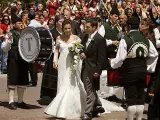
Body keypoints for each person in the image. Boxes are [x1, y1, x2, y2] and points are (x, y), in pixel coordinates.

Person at [109, 15, 158, 120]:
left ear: (128, 26)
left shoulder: (125, 39)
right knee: (140, 99)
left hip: (130, 72)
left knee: (131, 100)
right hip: (143, 72)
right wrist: (148, 66)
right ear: (138, 25)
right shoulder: (146, 40)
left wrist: (112, 63)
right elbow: (154, 55)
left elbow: (120, 58)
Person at [44, 19, 86, 119]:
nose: (67, 30)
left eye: (69, 28)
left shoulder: (76, 38)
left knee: (71, 83)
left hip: (72, 64)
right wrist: (55, 61)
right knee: (62, 83)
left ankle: (74, 108)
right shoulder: (59, 38)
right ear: (62, 28)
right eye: (65, 28)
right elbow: (56, 50)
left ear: (71, 28)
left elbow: (80, 51)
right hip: (62, 63)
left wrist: (80, 56)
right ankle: (60, 108)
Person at [1, 14, 30, 110]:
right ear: (14, 25)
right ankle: (11, 101)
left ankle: (20, 101)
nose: (21, 24)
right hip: (13, 60)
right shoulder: (10, 34)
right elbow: (4, 49)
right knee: (12, 80)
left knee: (22, 80)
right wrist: (8, 41)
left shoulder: (26, 33)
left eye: (22, 22)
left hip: (23, 60)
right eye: (19, 23)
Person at [81, 18, 106, 120]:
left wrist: (97, 71)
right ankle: (98, 106)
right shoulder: (86, 36)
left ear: (94, 27)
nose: (85, 28)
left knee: (90, 91)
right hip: (84, 67)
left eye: (88, 27)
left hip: (93, 69)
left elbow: (101, 58)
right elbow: (82, 48)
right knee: (89, 89)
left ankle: (88, 113)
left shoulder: (100, 39)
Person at [39, 15, 64, 104]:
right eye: (61, 21)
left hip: (63, 58)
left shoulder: (66, 32)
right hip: (52, 57)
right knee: (50, 76)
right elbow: (47, 45)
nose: (62, 23)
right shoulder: (51, 32)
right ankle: (47, 95)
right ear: (56, 22)